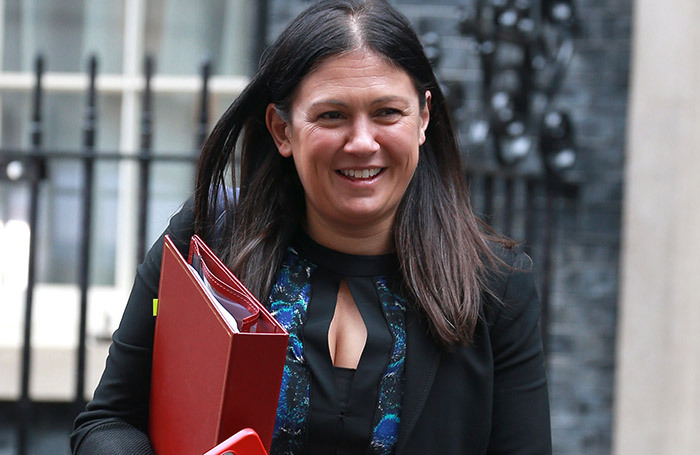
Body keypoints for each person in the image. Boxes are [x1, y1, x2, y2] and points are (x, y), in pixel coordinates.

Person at [71, 0, 551, 454]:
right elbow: (108, 423)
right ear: (283, 130)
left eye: (387, 112)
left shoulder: (496, 287)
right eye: (332, 115)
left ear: (423, 118)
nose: (362, 142)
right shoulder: (208, 244)